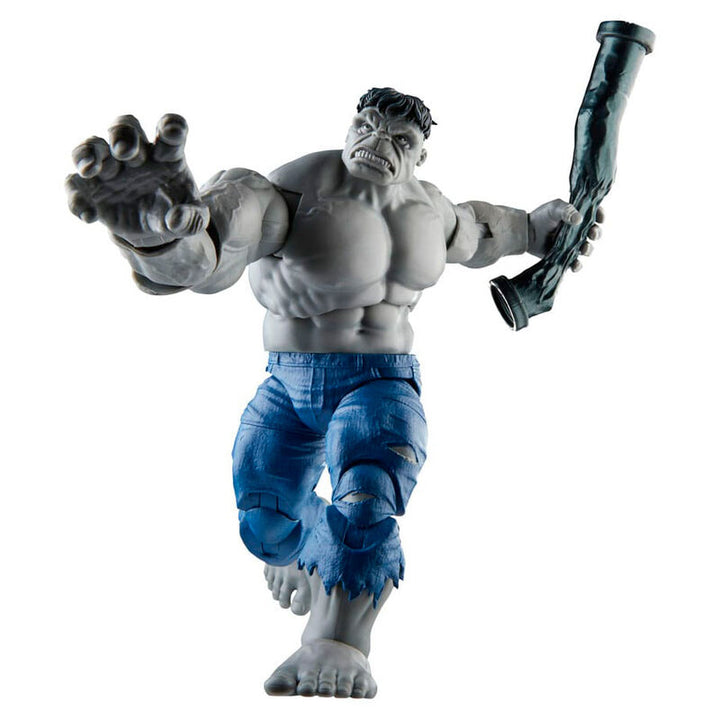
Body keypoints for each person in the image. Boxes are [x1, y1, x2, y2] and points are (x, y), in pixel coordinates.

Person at [66, 87, 601, 698]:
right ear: (351, 126)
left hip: (379, 381)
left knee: (370, 489)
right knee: (264, 519)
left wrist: (539, 229)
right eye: (368, 126)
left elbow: (483, 232)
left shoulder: (430, 210)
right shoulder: (287, 191)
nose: (378, 143)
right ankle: (310, 547)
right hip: (288, 381)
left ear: (419, 156)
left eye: (401, 140)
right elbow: (214, 251)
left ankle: (337, 642)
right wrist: (161, 238)